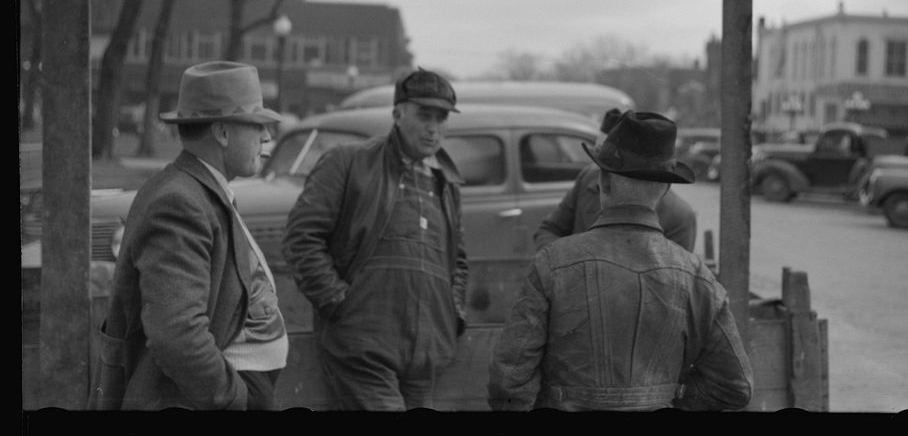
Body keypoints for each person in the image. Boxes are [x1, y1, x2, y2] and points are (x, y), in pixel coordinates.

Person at [488, 110, 753, 411]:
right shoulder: (698, 279)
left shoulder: (551, 264)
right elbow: (735, 386)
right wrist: (670, 400)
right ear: (665, 187)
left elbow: (508, 381)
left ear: (603, 182)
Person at [90, 61, 288, 410]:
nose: (267, 137)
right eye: (257, 125)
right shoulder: (180, 201)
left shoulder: (195, 188)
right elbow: (176, 334)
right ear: (223, 133)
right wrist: (234, 398)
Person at [282, 68, 469, 410]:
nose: (434, 127)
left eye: (442, 118)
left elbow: (457, 261)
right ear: (397, 114)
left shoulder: (447, 184)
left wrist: (451, 314)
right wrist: (338, 303)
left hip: (427, 352)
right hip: (364, 346)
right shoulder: (348, 162)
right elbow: (302, 237)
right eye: (424, 115)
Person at [533, 108, 698, 252]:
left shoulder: (679, 217)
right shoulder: (588, 177)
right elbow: (549, 230)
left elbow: (671, 279)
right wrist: (564, 264)